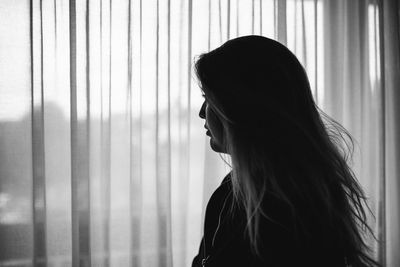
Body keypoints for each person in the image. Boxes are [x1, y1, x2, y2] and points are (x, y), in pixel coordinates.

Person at [192, 35, 380, 267]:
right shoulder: (237, 190)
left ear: (242, 109)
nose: (202, 112)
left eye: (209, 99)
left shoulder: (283, 210)